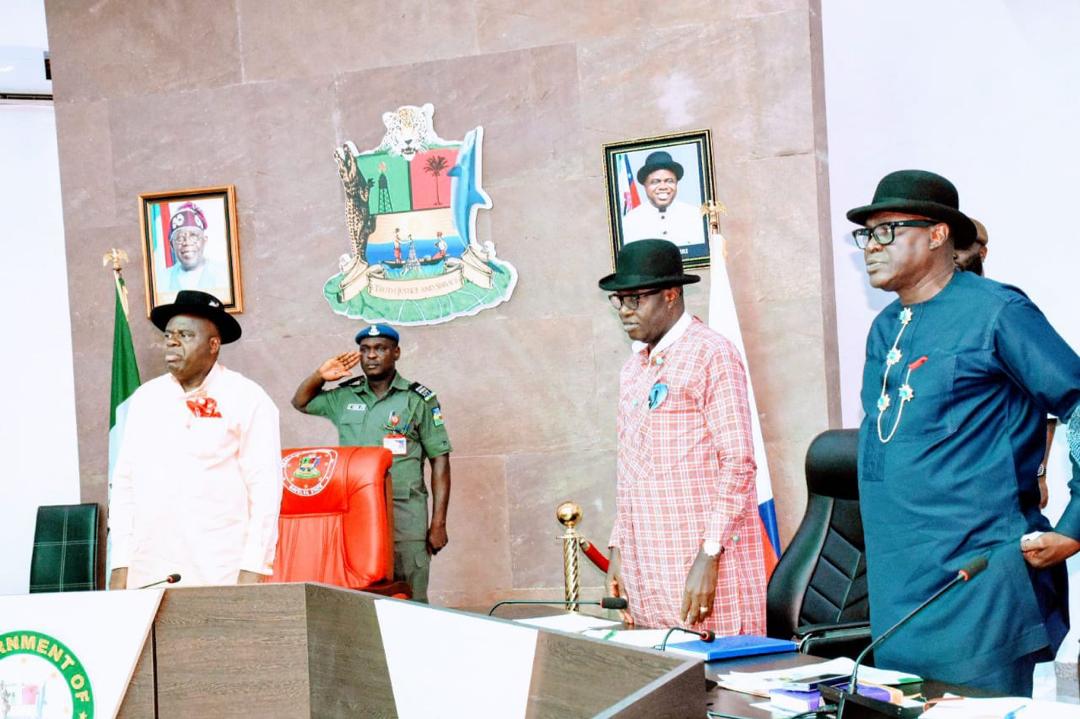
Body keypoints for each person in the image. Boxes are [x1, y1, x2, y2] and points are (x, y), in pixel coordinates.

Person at [848, 169, 1080, 695]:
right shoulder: (884, 328)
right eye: (867, 234)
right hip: (898, 594)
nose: (871, 246)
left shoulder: (997, 311)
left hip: (980, 587)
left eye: (887, 231)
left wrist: (1076, 523)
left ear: (937, 235)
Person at [599, 239, 766, 634]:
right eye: (619, 300)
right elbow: (630, 470)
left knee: (716, 672)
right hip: (648, 574)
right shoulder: (633, 369)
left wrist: (710, 554)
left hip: (704, 571)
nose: (624, 310)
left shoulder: (712, 353)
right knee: (661, 671)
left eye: (635, 299)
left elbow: (739, 462)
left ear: (671, 295)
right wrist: (619, 548)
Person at [109, 290, 282, 589]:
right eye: (168, 335)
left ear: (213, 345)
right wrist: (120, 563)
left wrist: (253, 567)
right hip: (148, 568)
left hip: (219, 568)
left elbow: (265, 491)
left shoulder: (247, 398)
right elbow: (125, 483)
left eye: (185, 335)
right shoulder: (145, 399)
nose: (172, 342)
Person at [291, 324, 451, 602]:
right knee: (361, 596)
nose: (371, 356)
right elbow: (301, 402)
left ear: (396, 353)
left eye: (380, 349)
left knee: (411, 597)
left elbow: (440, 460)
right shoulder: (345, 397)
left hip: (405, 516)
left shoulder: (417, 400)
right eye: (365, 350)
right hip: (356, 514)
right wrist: (319, 376)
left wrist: (438, 523)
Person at [621, 151, 704, 247]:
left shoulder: (696, 216)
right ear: (645, 185)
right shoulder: (630, 221)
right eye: (655, 182)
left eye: (669, 181)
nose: (663, 187)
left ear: (676, 183)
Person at [161, 202, 231, 293]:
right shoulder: (160, 280)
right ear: (171, 245)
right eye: (180, 238)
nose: (187, 242)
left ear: (204, 241)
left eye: (193, 236)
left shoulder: (226, 274)